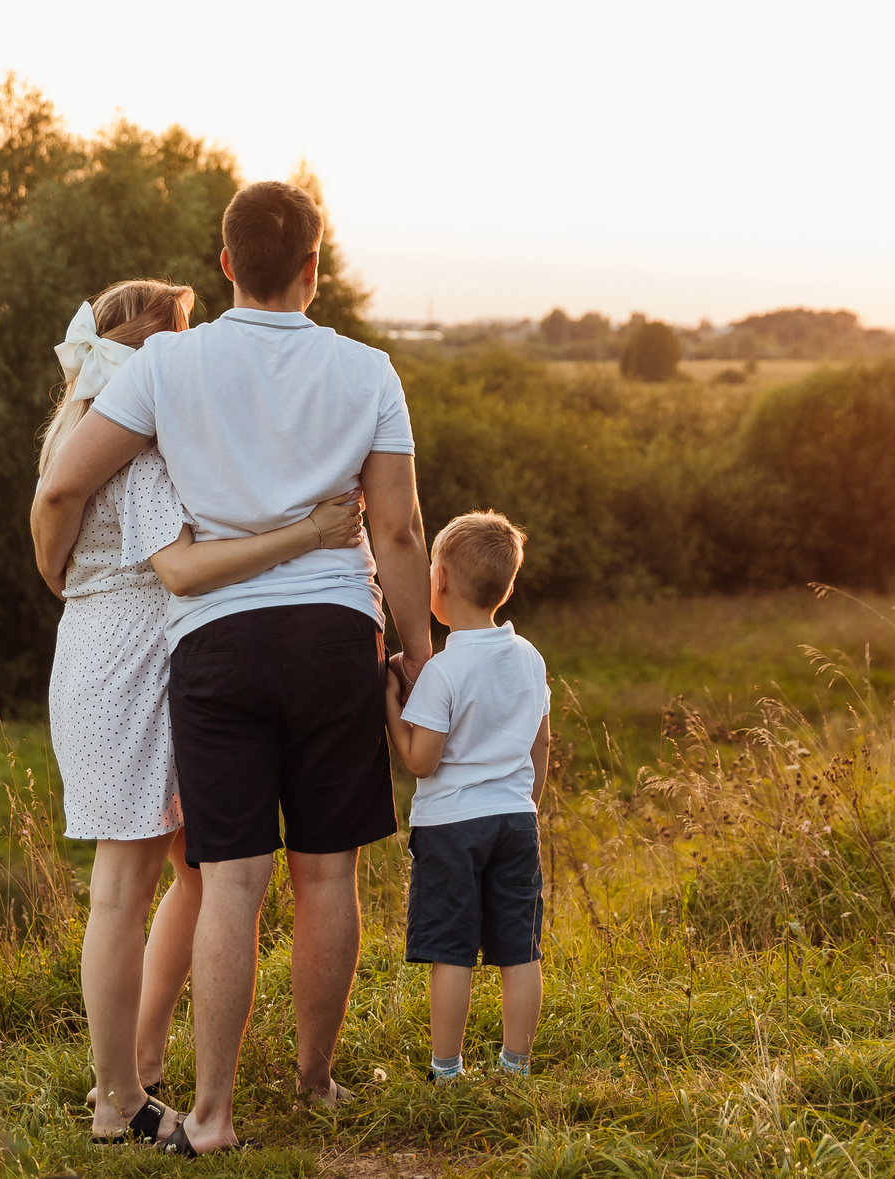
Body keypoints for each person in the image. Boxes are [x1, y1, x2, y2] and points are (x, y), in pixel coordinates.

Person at [32, 180, 436, 1157]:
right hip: (337, 633)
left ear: (224, 266)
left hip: (214, 645)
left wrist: (59, 582)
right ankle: (315, 1080)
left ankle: (209, 1113)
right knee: (327, 874)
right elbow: (400, 525)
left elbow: (63, 481)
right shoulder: (369, 368)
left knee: (232, 876)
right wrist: (419, 652)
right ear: (314, 267)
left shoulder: (168, 364)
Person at [381, 511, 550, 1083]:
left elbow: (420, 760)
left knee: (451, 949)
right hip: (515, 821)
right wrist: (527, 800)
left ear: (442, 580)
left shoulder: (445, 671)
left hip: (453, 826)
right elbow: (539, 742)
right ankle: (516, 1064)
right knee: (519, 948)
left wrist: (389, 704)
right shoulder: (529, 657)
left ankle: (447, 1069)